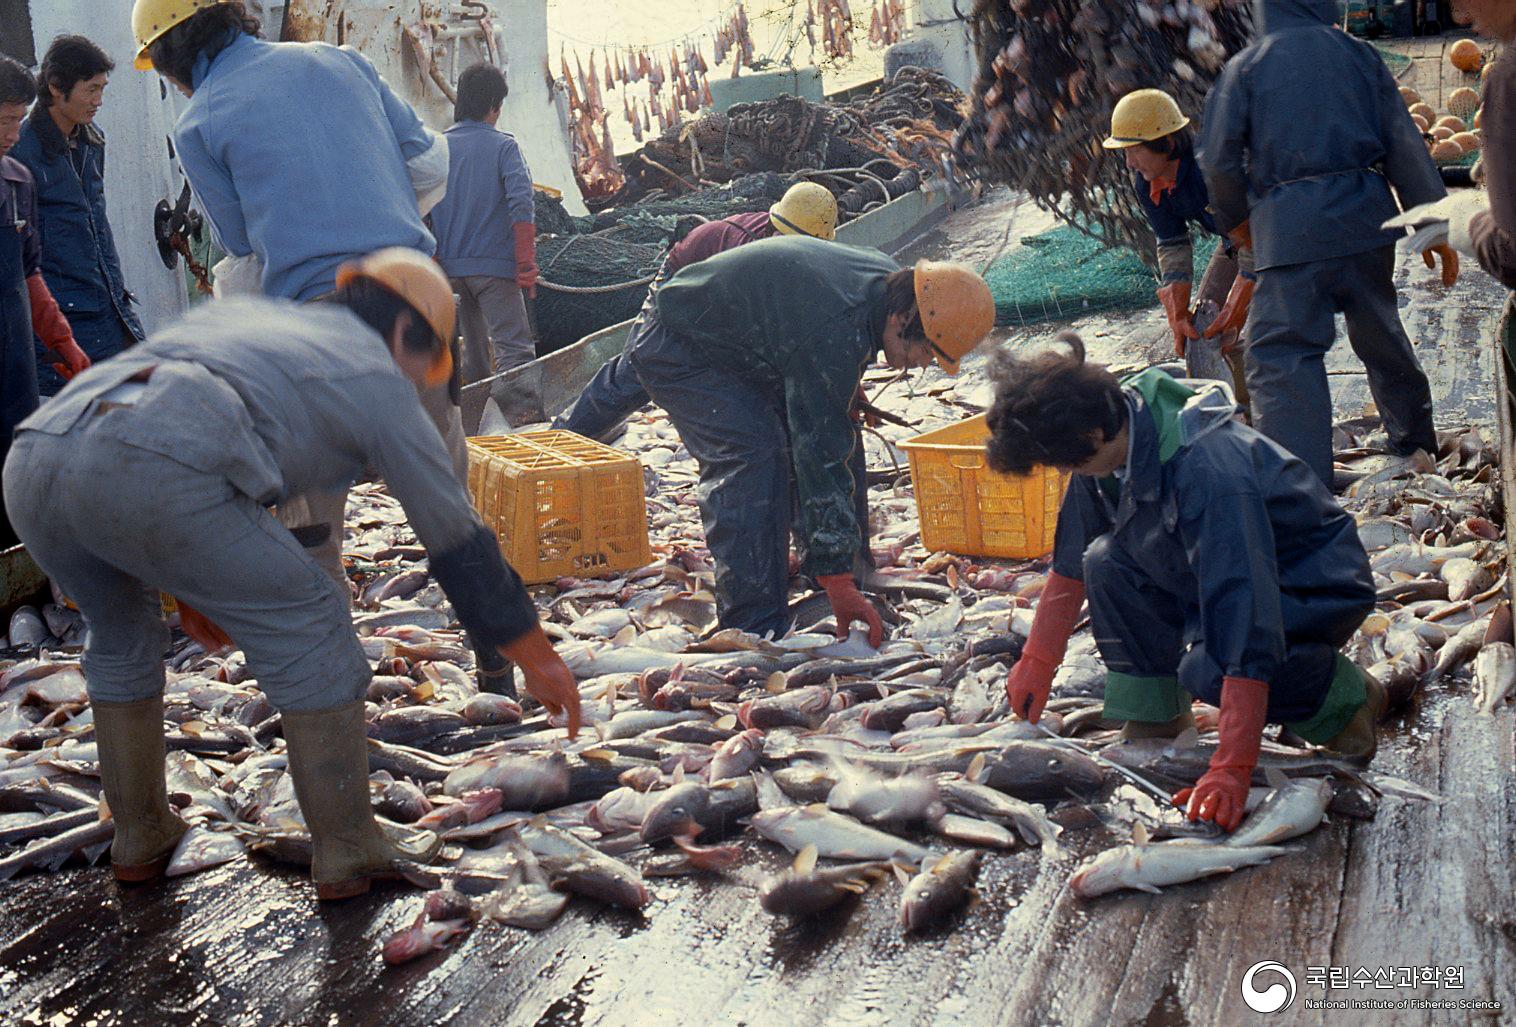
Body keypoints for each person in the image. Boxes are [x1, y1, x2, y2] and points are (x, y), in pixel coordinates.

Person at [3, 248, 581, 900]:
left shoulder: (255, 322)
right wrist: (536, 655)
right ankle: (348, 845)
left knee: (120, 632)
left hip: (37, 461)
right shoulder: (375, 375)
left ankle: (139, 833)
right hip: (157, 460)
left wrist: (198, 586)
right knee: (315, 619)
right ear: (403, 334)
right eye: (429, 358)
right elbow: (454, 534)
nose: (422, 377)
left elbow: (180, 436)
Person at [987, 334, 1382, 831]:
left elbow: (1244, 607)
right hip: (1215, 571)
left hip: (1309, 582)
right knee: (1104, 561)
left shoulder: (1208, 466)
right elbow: (1069, 570)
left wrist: (1234, 767)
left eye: (1067, 462)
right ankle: (1156, 719)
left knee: (1210, 667)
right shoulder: (1103, 448)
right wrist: (1036, 663)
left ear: (1095, 431)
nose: (1067, 472)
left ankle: (1344, 699)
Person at [633, 235, 994, 640]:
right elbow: (819, 454)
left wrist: (842, 382)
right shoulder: (836, 327)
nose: (921, 364)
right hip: (679, 346)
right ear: (902, 319)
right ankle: (752, 621)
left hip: (746, 342)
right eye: (927, 352)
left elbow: (826, 411)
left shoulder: (889, 286)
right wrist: (838, 585)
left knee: (837, 421)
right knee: (754, 454)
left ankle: (831, 565)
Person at [1198, 0, 1459, 487]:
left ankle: (1303, 484)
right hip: (1366, 224)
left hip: (1289, 235)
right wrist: (1433, 226)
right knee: (1380, 330)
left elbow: (1217, 162)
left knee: (1282, 353)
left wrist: (1237, 225)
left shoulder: (1246, 69)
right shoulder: (1359, 55)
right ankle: (1416, 445)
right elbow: (1402, 140)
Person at [552, 181, 841, 442]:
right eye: (783, 238)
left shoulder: (809, 263)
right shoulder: (745, 253)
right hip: (683, 276)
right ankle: (566, 434)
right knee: (642, 362)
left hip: (728, 299)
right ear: (773, 224)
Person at [10, 36, 143, 396]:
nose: (98, 101)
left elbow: (98, 228)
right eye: (90, 90)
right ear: (56, 87)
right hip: (64, 321)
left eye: (102, 89)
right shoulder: (20, 154)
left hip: (110, 309)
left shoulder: (91, 141)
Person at [1103, 89, 1252, 406]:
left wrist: (1240, 299)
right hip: (1236, 240)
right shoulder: (1148, 182)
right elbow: (1171, 242)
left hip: (1277, 231)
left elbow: (1259, 236)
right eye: (1124, 153)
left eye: (1134, 151)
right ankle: (1239, 411)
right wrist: (1177, 307)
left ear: (1167, 144)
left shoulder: (1210, 168)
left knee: (1273, 323)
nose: (1129, 163)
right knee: (1207, 326)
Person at [0, 58, 91, 547]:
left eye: (19, 118)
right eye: (5, 120)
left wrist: (62, 340)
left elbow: (29, 273)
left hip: (14, 368)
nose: (14, 133)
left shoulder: (17, 181)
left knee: (15, 480)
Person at [429, 62, 538, 383]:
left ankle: (472, 421)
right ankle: (519, 419)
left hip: (450, 273)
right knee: (515, 354)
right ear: (494, 106)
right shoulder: (505, 146)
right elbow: (522, 203)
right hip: (494, 272)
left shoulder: (437, 148)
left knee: (473, 358)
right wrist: (525, 263)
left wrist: (434, 261)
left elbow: (420, 208)